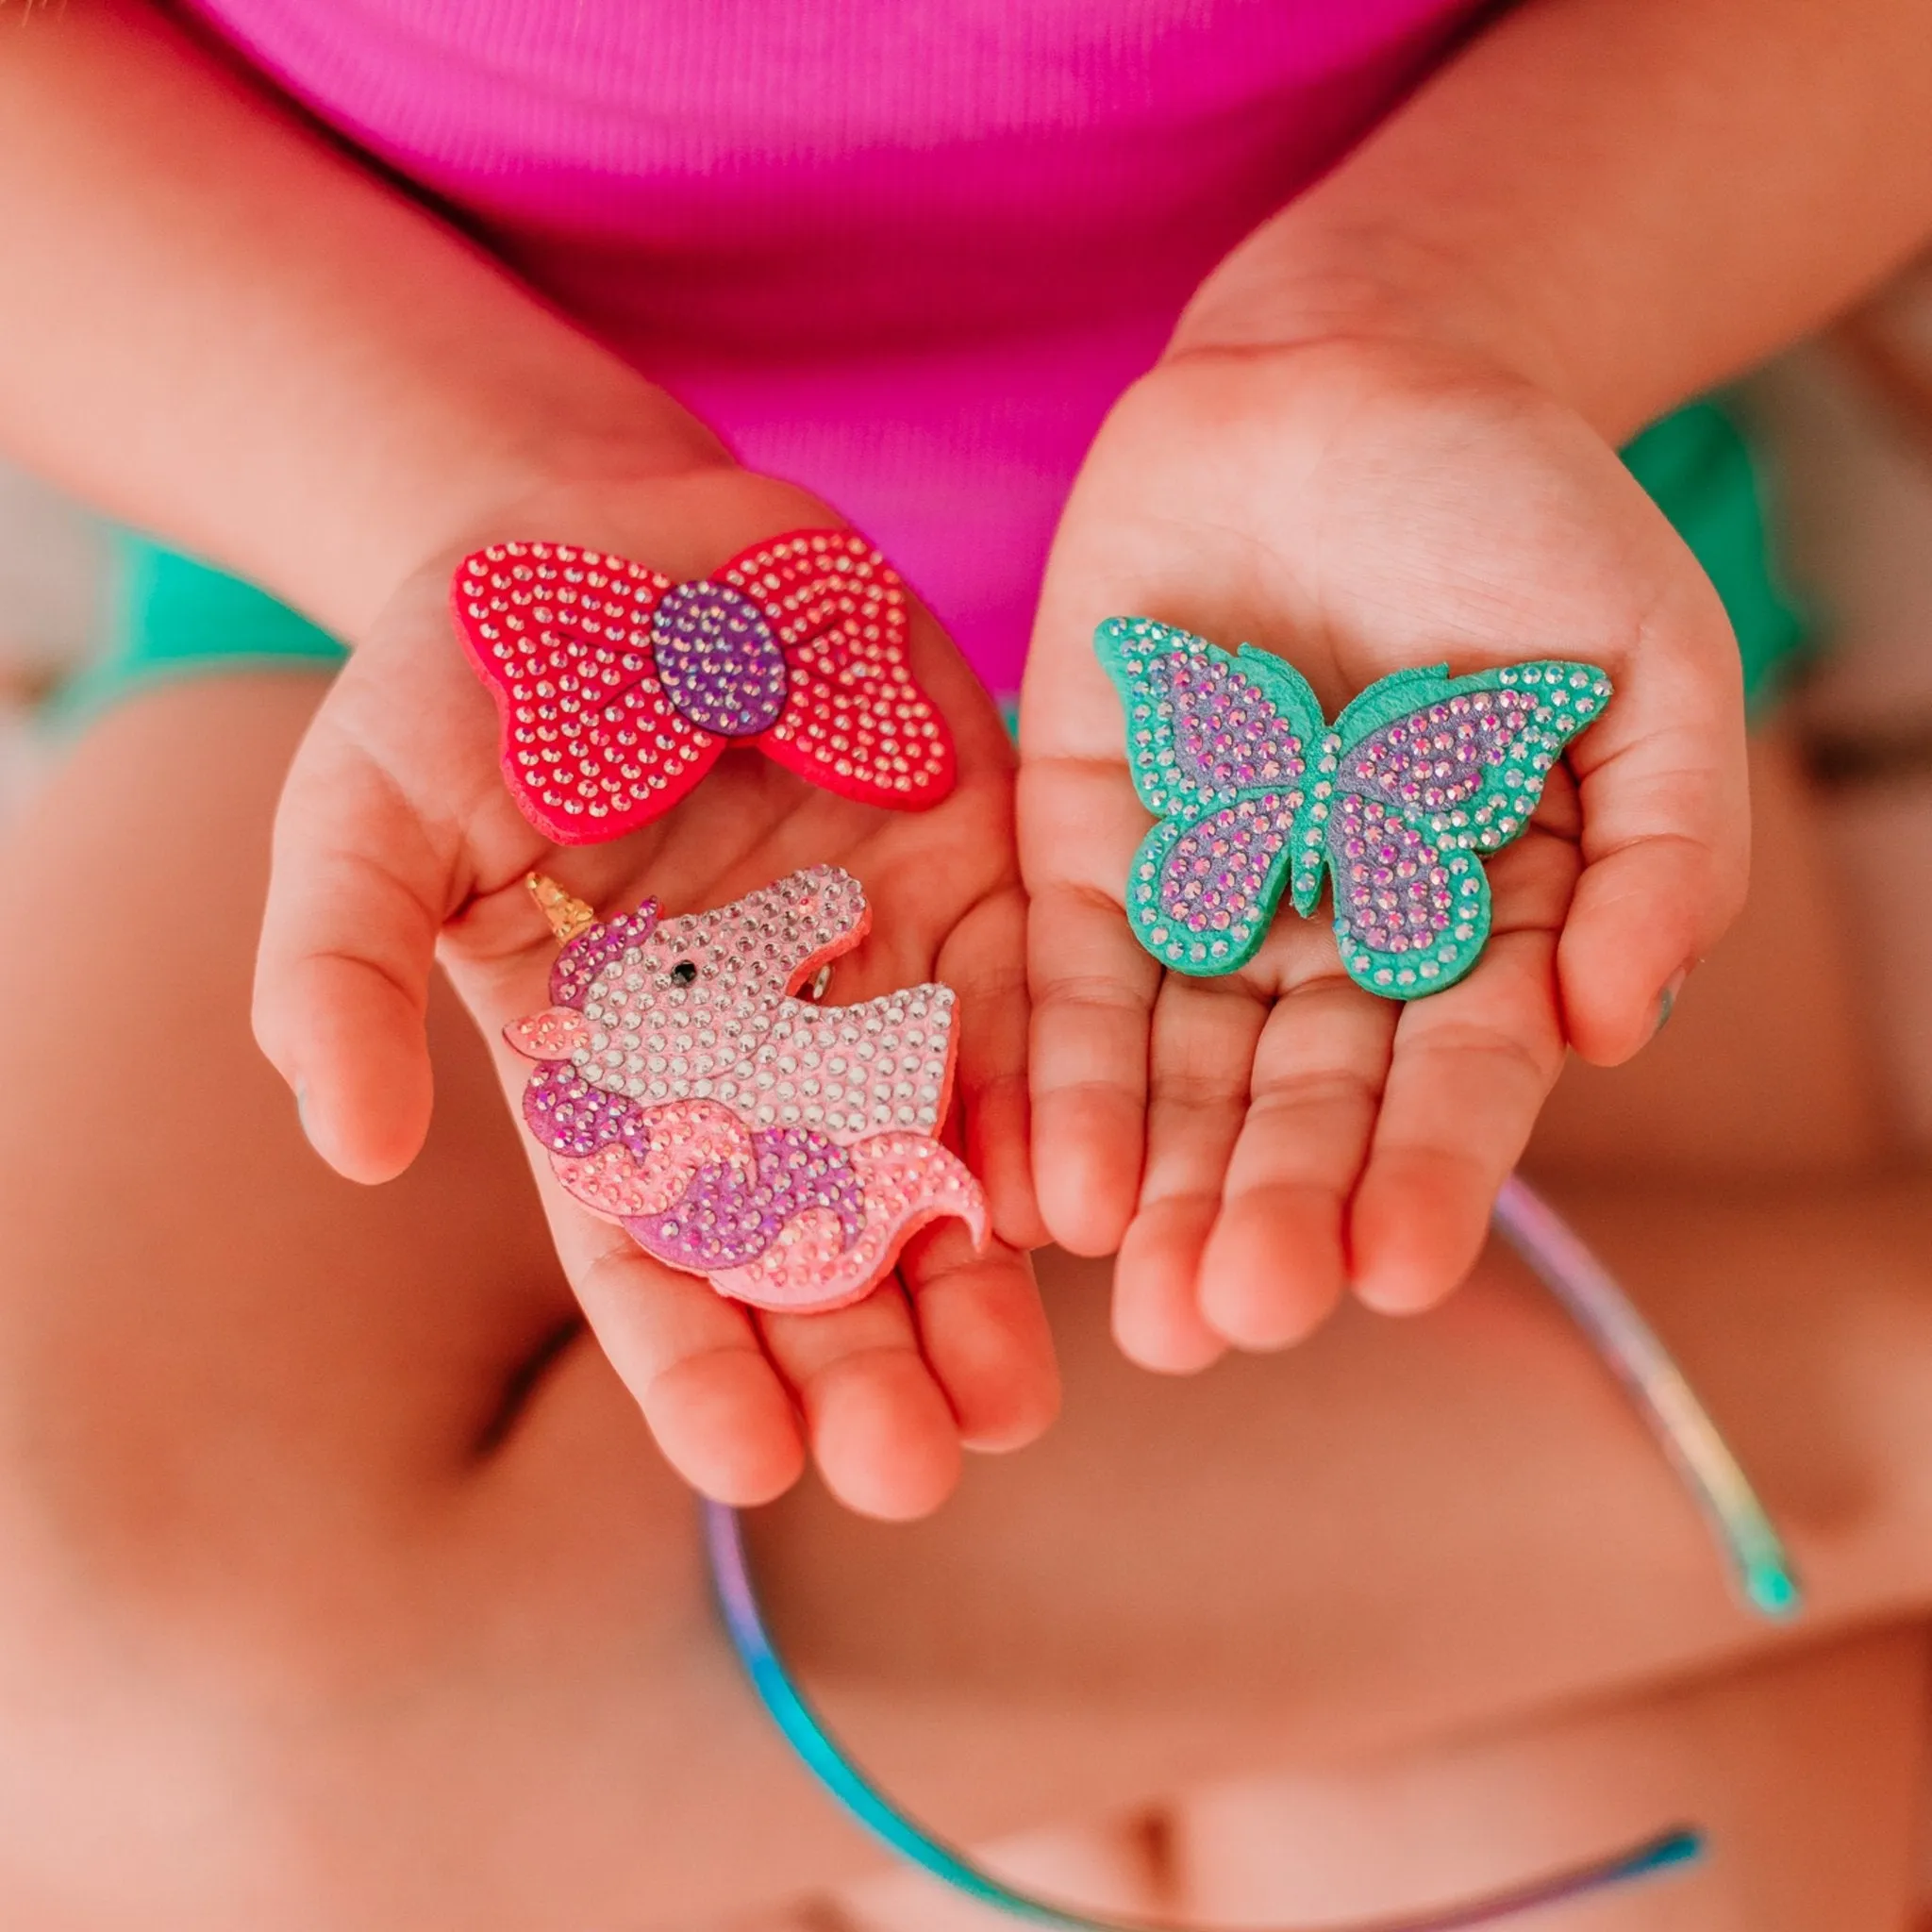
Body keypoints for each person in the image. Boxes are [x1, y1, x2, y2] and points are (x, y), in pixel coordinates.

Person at [2, 0, 1932, 1924]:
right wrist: (483, 484)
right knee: (135, 1732)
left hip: (1454, 468)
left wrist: (1415, 315)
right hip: (392, 528)